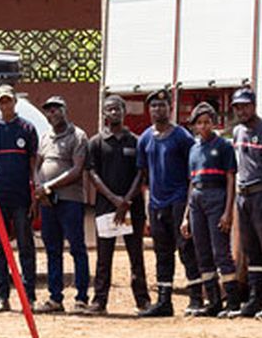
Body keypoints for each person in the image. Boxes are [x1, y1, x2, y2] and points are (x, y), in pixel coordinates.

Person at [136, 91, 201, 318]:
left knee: (186, 250)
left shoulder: (182, 137)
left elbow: (193, 173)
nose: (157, 110)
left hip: (179, 201)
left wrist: (188, 209)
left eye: (162, 105)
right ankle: (164, 301)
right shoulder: (145, 138)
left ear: (170, 107)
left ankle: (196, 298)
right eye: (153, 106)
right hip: (156, 204)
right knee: (162, 253)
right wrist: (147, 207)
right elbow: (143, 176)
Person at [87, 94, 149, 314]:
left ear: (125, 112)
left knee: (136, 255)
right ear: (104, 113)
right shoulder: (96, 142)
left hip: (133, 208)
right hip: (106, 207)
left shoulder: (136, 141)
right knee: (104, 257)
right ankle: (99, 301)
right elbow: (92, 174)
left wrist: (126, 201)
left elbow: (141, 172)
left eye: (118, 109)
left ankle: (143, 301)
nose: (114, 113)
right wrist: (114, 200)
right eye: (110, 109)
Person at [226, 87, 262, 319]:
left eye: (245, 106)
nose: (241, 110)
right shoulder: (238, 131)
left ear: (254, 106)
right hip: (243, 196)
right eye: (237, 107)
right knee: (251, 251)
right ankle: (254, 300)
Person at [0, 84, 39, 313]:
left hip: (22, 197)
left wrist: (34, 195)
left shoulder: (27, 128)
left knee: (26, 246)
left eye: (9, 100)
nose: (6, 105)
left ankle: (29, 297)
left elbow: (34, 165)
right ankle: (2, 296)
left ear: (15, 102)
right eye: (1, 101)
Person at [35, 95, 91, 315]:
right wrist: (39, 188)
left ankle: (81, 298)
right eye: (48, 110)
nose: (52, 113)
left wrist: (48, 186)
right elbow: (37, 165)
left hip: (70, 200)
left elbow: (77, 170)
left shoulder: (78, 136)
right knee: (52, 249)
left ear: (65, 110)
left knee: (77, 248)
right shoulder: (45, 137)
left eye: (56, 109)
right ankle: (55, 298)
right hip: (48, 202)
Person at [183, 101, 240, 316]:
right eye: (200, 123)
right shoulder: (194, 149)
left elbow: (230, 179)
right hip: (197, 199)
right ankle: (213, 301)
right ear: (195, 126)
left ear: (214, 123)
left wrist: (228, 211)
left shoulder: (224, 147)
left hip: (217, 197)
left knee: (221, 251)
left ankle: (233, 302)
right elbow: (191, 182)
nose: (204, 126)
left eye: (208, 122)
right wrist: (186, 216)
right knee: (202, 252)